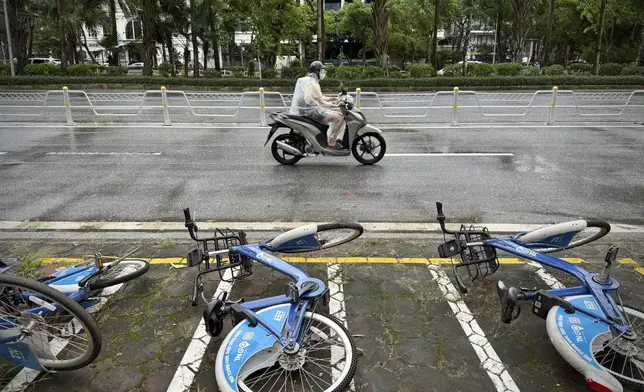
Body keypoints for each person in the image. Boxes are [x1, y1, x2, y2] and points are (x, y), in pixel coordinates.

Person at [290, 61, 345, 148]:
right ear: (316, 72)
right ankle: (332, 141)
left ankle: (329, 138)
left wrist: (334, 97)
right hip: (313, 111)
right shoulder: (314, 84)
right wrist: (336, 105)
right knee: (339, 117)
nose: (323, 74)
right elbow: (321, 101)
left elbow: (319, 98)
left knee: (335, 115)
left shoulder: (311, 82)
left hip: (311, 110)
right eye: (321, 71)